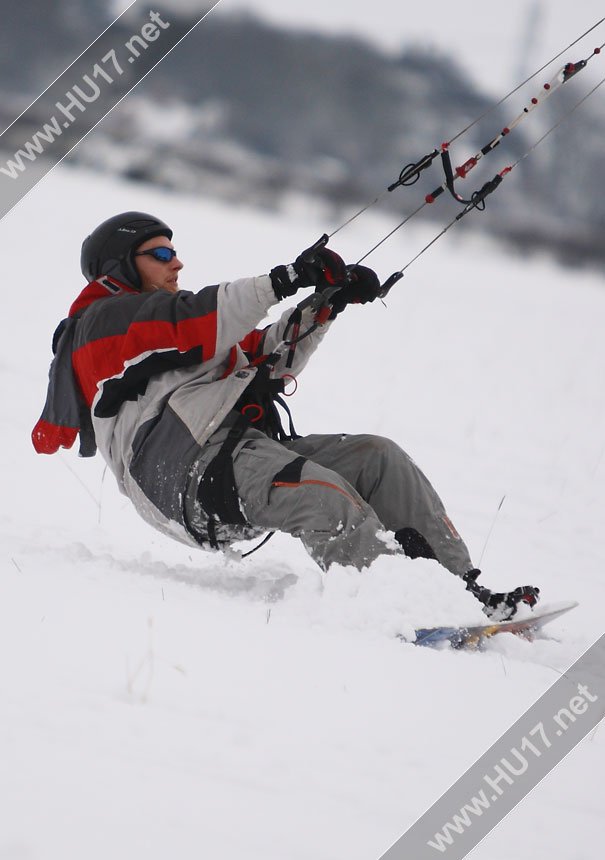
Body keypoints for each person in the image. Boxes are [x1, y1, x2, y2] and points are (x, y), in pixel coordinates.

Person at [32, 211, 539, 621]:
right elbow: (193, 318)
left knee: (378, 458)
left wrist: (327, 302)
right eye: (161, 253)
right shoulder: (102, 323)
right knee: (322, 497)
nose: (178, 262)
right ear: (121, 265)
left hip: (228, 452)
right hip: (178, 474)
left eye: (175, 250)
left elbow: (266, 353)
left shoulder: (172, 328)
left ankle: (462, 593)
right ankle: (398, 610)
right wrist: (287, 279)